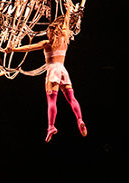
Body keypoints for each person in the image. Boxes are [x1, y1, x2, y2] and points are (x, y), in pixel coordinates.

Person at [5, 13, 87, 142]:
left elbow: (28, 48)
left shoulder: (46, 43)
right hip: (63, 70)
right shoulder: (64, 39)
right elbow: (66, 23)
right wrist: (68, 11)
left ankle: (51, 127)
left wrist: (13, 49)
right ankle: (80, 119)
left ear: (50, 32)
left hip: (53, 71)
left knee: (51, 101)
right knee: (72, 98)